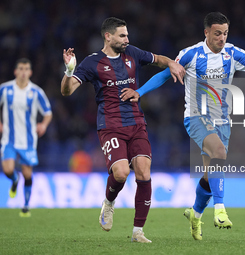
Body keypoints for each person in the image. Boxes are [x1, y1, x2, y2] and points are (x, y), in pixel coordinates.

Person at [120, 12, 245, 240]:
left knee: (209, 174)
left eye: (225, 33)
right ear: (206, 32)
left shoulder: (233, 53)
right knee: (220, 152)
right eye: (217, 33)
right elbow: (165, 75)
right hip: (196, 117)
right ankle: (220, 210)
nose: (222, 38)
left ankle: (195, 214)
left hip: (222, 120)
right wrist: (139, 92)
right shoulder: (191, 54)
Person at [61, 17, 185, 243]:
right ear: (108, 36)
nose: (127, 39)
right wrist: (69, 71)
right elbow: (67, 91)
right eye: (122, 36)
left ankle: (138, 232)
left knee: (144, 172)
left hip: (136, 122)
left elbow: (158, 59)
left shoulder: (133, 53)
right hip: (110, 126)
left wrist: (172, 64)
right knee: (120, 173)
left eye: (127, 35)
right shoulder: (92, 63)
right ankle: (108, 202)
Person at [0, 58, 52, 217]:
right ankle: (14, 180)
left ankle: (26, 205)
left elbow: (48, 113)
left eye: (26, 69)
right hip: (9, 138)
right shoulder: (5, 89)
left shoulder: (36, 92)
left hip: (28, 141)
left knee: (28, 174)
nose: (23, 72)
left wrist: (43, 124)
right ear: (16, 71)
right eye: (20, 69)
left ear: (30, 72)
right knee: (7, 169)